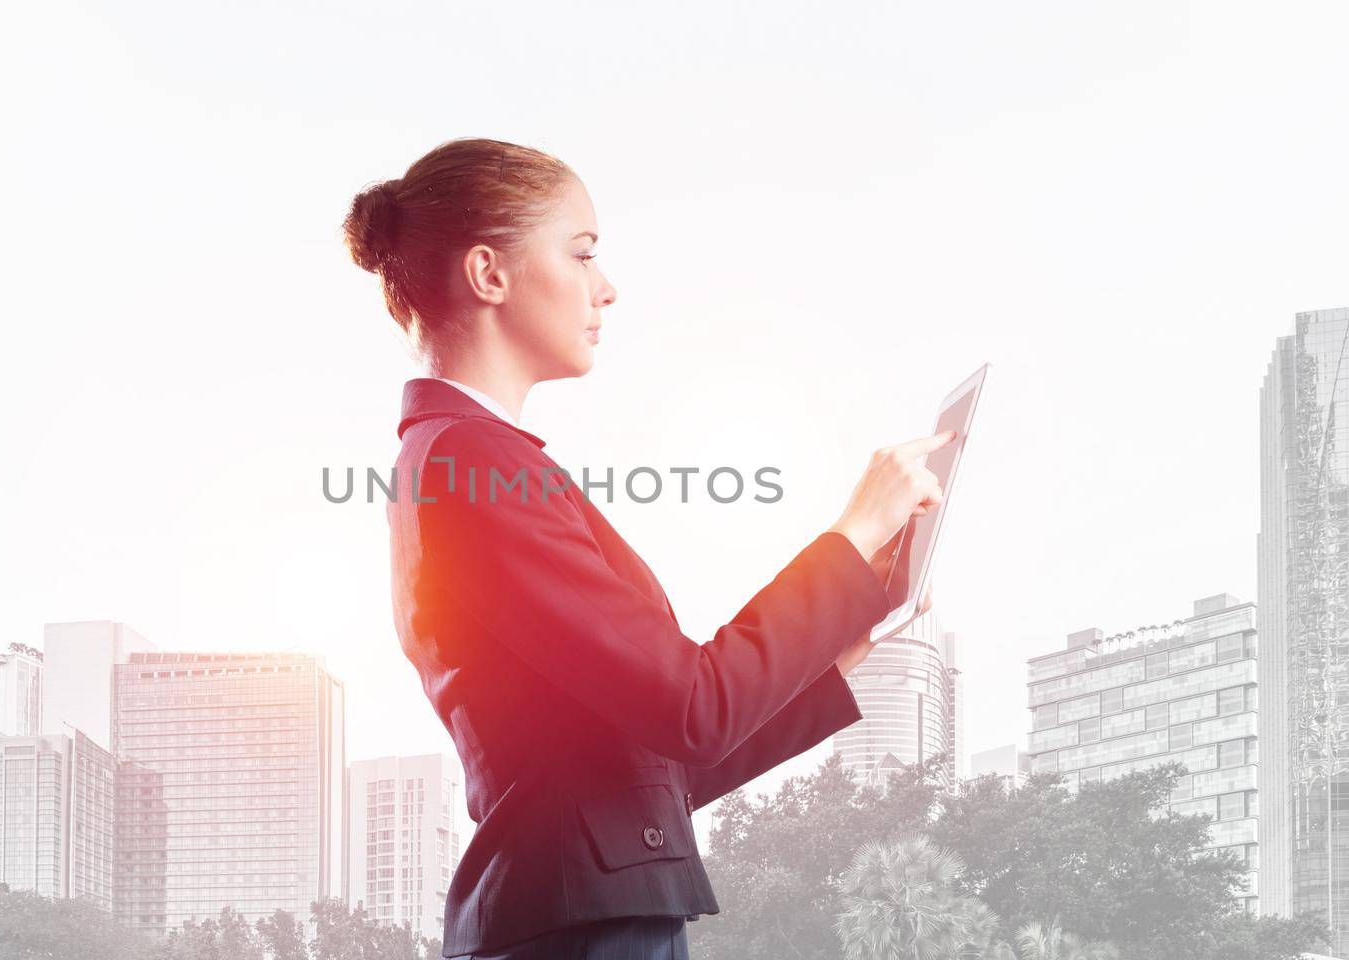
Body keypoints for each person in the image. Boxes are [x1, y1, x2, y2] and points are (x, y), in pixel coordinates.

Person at [342, 137, 951, 960]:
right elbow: (690, 709)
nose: (607, 288)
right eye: (582, 253)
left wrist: (829, 663)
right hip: (579, 933)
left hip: (581, 920)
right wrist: (853, 536)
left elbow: (654, 767)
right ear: (490, 274)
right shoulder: (472, 463)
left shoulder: (466, 459)